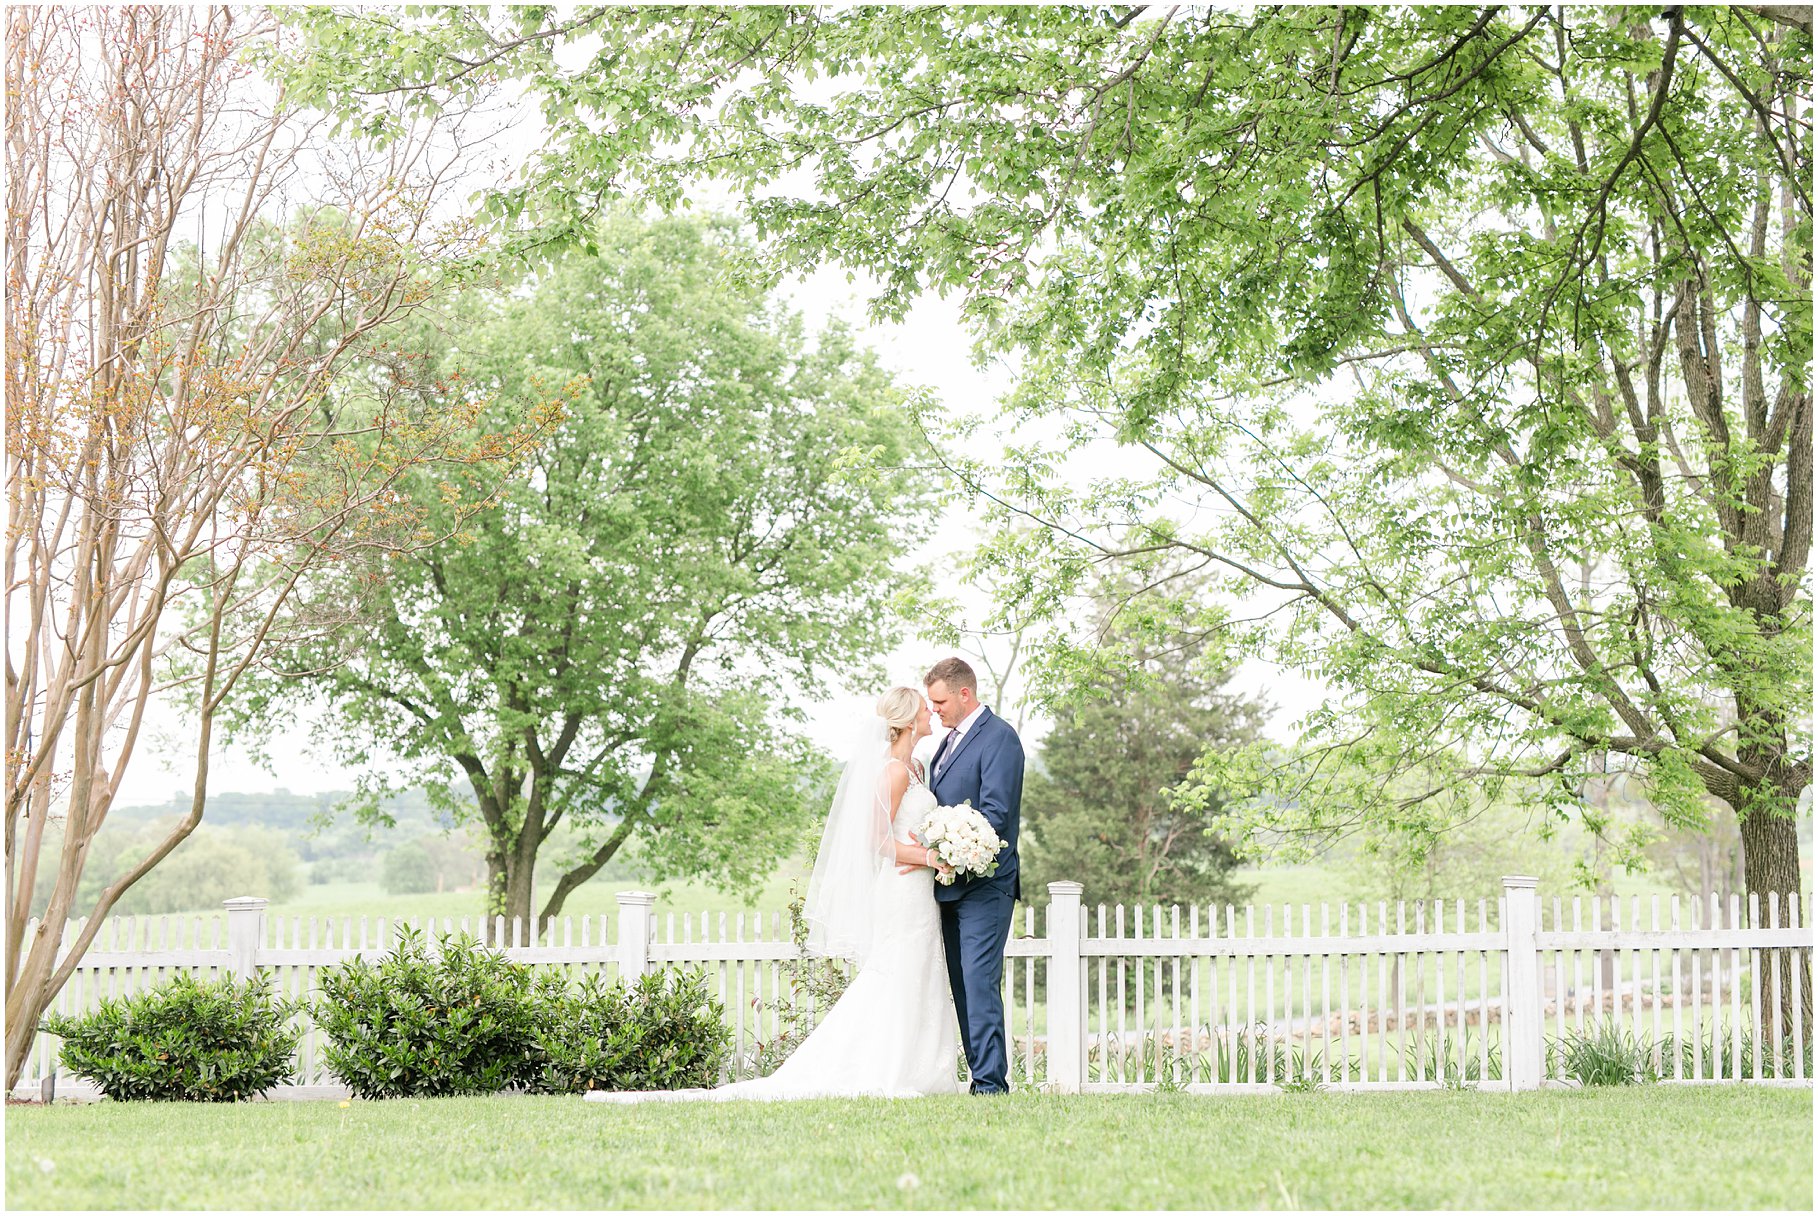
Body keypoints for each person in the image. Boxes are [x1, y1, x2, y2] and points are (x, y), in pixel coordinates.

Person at [585, 687, 963, 1102]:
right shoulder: (891, 772)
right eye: (925, 709)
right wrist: (930, 856)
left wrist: (942, 847)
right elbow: (877, 843)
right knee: (897, 971)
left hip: (922, 890)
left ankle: (921, 1068)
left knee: (922, 971)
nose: (931, 713)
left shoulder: (920, 769)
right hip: (901, 890)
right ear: (909, 721)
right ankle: (884, 1069)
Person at [923, 656, 1024, 1095]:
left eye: (940, 701)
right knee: (963, 986)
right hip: (949, 886)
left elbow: (997, 814)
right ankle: (981, 1076)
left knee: (980, 983)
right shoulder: (945, 744)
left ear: (965, 693)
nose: (934, 711)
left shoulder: (1000, 739)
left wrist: (952, 845)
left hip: (987, 885)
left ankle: (990, 1086)